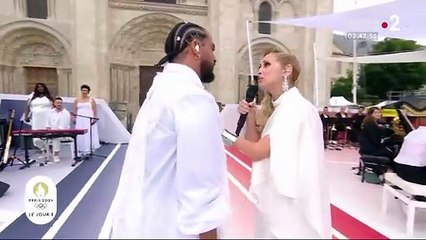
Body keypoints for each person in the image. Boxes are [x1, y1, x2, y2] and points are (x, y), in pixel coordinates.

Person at [109, 22, 229, 239]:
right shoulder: (192, 98)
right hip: (172, 229)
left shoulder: (160, 90)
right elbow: (201, 187)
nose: (214, 56)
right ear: (196, 47)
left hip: (142, 225)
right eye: (212, 47)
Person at [235, 48, 331, 238]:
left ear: (287, 70)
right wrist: (251, 114)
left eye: (267, 64)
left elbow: (257, 151)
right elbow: (255, 143)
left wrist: (223, 134)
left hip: (290, 205)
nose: (260, 70)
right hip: (278, 199)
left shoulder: (294, 108)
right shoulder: (284, 107)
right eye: (260, 65)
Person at [24, 83, 53, 155]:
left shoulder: (48, 97)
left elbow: (54, 106)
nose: (40, 88)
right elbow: (28, 107)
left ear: (44, 88)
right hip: (36, 119)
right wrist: (26, 116)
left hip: (47, 117)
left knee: (48, 133)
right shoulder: (32, 97)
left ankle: (50, 147)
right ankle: (42, 148)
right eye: (38, 87)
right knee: (37, 134)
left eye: (41, 87)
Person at [72, 84, 100, 156]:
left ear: (88, 92)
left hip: (88, 117)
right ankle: (80, 148)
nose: (84, 92)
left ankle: (89, 147)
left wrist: (94, 118)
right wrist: (74, 118)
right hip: (80, 118)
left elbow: (94, 109)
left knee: (88, 132)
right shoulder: (77, 100)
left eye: (86, 91)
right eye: (83, 90)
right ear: (81, 91)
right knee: (80, 132)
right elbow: (74, 110)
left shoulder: (91, 100)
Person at [46, 97, 71, 163]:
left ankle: (56, 155)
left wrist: (57, 131)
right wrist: (50, 130)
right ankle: (47, 150)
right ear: (54, 104)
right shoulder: (50, 112)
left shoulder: (66, 113)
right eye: (57, 103)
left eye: (60, 103)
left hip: (63, 133)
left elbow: (65, 125)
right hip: (52, 132)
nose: (59, 104)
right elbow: (47, 124)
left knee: (56, 138)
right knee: (38, 140)